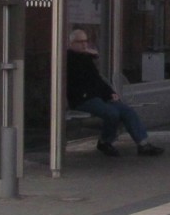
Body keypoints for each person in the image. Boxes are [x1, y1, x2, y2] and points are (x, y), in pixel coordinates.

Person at [66, 28, 162, 157]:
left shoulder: (86, 59)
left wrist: (110, 93)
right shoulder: (69, 59)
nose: (84, 44)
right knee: (112, 113)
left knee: (127, 111)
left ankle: (143, 144)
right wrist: (90, 55)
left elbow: (98, 80)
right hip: (83, 99)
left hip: (98, 97)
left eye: (86, 41)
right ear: (71, 43)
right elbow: (81, 81)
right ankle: (105, 141)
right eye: (80, 42)